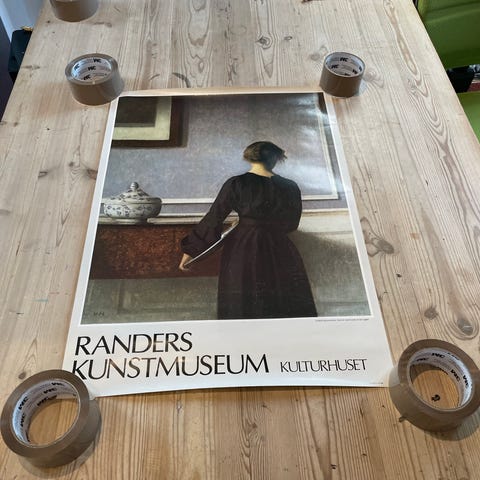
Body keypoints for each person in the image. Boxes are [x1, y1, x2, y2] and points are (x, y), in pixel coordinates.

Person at [179, 141, 317, 319]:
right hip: (280, 248)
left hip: (243, 247)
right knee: (283, 299)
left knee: (244, 299)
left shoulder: (237, 183)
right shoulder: (290, 186)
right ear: (276, 159)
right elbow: (291, 224)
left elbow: (214, 218)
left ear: (250, 158)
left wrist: (190, 252)